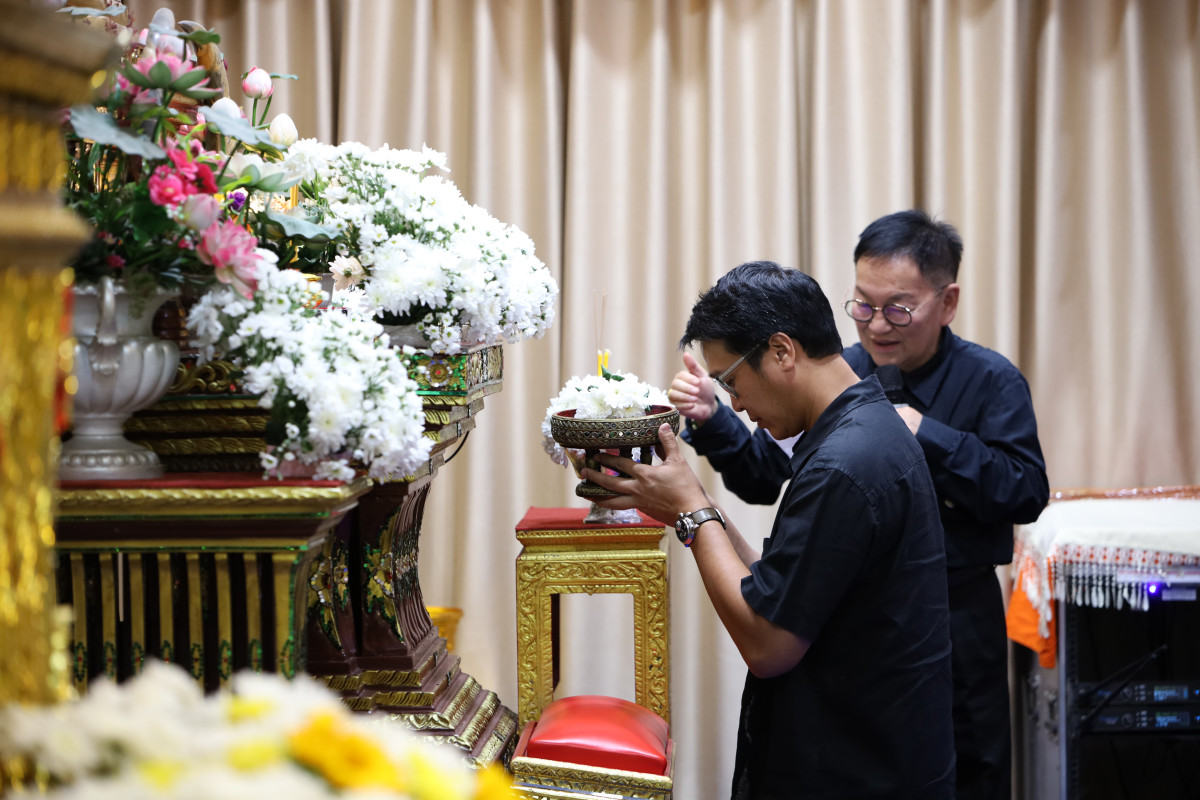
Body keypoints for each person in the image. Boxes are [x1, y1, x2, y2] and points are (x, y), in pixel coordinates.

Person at [670, 210, 1050, 800]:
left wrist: (927, 433)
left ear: (947, 302)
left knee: (968, 765)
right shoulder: (845, 377)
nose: (876, 325)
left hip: (957, 608)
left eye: (897, 309)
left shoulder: (987, 381)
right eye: (863, 305)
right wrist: (716, 418)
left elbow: (1025, 490)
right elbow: (766, 472)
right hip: (852, 612)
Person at [583, 261, 956, 800]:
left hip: (854, 769)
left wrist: (692, 513)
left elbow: (768, 643)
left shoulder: (845, 463)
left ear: (782, 351)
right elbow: (784, 588)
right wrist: (690, 504)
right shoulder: (863, 431)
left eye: (732, 381)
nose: (735, 404)